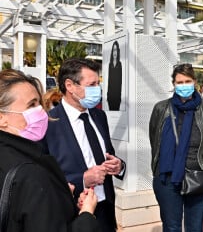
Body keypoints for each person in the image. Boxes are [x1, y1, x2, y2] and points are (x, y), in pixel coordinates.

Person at [0, 69, 100, 232]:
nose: (40, 111)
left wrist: (58, 196)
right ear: (1, 118)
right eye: (31, 104)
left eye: (39, 103)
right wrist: (87, 213)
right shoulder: (31, 172)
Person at [42, 58, 126, 231]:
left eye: (98, 83)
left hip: (105, 209)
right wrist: (82, 180)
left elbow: (107, 153)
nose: (98, 89)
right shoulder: (48, 123)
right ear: (70, 86)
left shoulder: (99, 116)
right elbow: (43, 177)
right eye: (92, 84)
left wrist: (119, 166)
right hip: (72, 214)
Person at [149, 63, 203, 232]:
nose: (183, 85)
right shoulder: (161, 108)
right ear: (173, 83)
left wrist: (199, 159)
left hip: (197, 176)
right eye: (179, 82)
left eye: (187, 81)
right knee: (171, 227)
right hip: (166, 176)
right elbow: (154, 139)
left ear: (194, 82)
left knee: (195, 227)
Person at [107, 41, 122, 111]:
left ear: (118, 51)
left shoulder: (119, 64)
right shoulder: (110, 64)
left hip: (117, 96)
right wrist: (107, 95)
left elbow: (120, 82)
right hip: (110, 96)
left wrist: (119, 97)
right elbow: (109, 80)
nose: (114, 52)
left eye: (115, 50)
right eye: (113, 50)